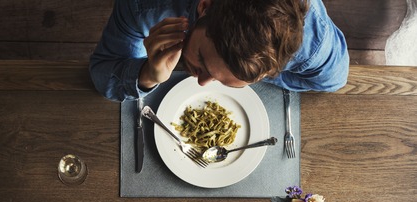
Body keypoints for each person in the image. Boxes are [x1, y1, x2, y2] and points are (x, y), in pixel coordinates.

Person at [89, 0, 349, 102]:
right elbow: (102, 70)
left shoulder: (312, 38)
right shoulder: (146, 6)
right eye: (202, 59)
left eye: (226, 82)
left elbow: (334, 79)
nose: (202, 83)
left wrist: (262, 72)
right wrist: (147, 75)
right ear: (205, 6)